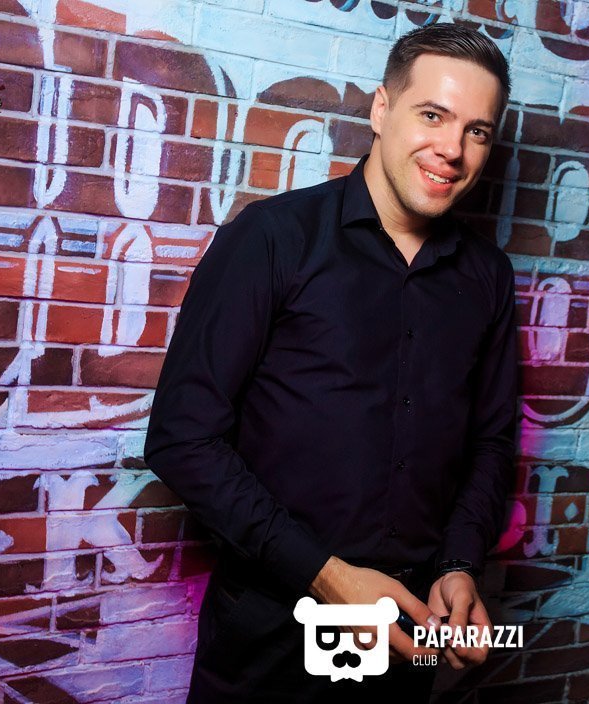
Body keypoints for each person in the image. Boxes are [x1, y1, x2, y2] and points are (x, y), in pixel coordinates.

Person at [144, 22, 518, 703]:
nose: (452, 149)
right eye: (432, 115)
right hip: (268, 638)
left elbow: (491, 442)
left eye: (477, 131)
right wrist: (327, 575)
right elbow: (182, 438)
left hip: (406, 639)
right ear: (381, 109)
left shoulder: (488, 277)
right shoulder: (272, 238)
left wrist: (460, 565)